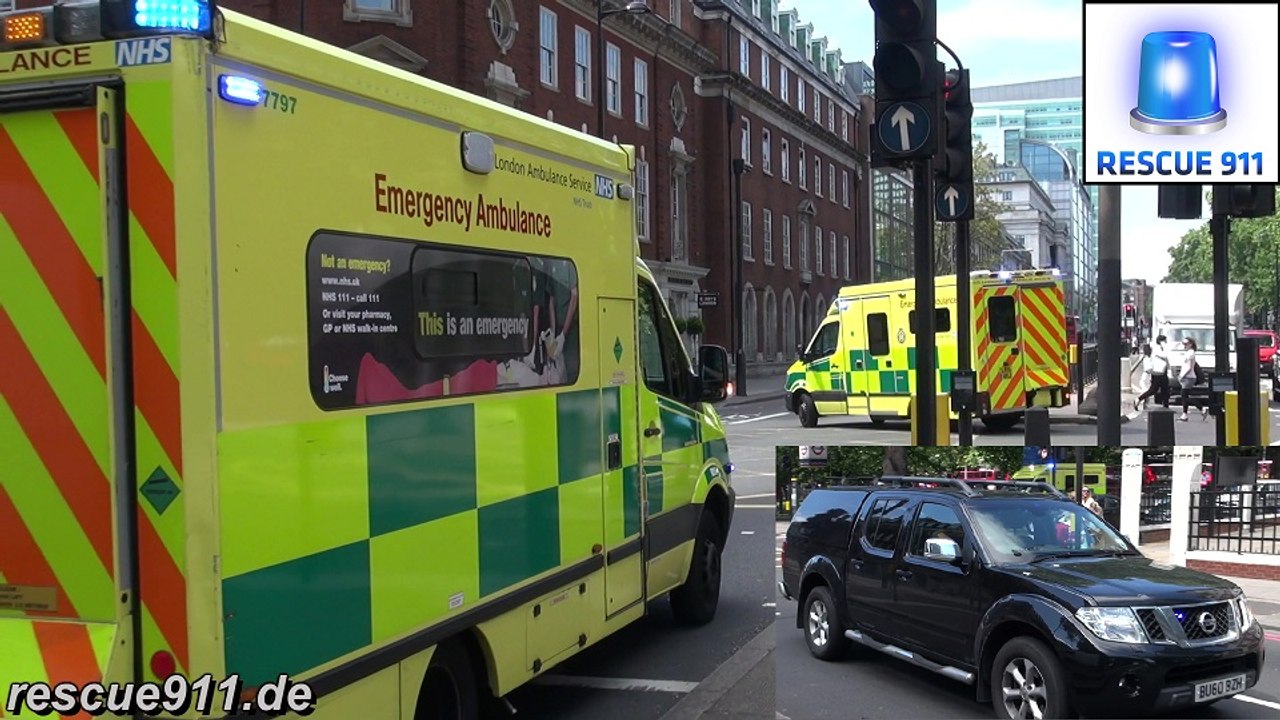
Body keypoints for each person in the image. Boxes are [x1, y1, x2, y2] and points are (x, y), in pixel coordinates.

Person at [1135, 336, 1170, 410]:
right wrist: (1165, 346)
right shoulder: (1156, 348)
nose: (1166, 342)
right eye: (1164, 341)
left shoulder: (1161, 348)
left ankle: (1166, 407)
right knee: (1153, 390)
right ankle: (1139, 399)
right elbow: (1165, 355)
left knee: (1165, 390)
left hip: (1163, 372)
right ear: (1161, 341)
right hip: (1157, 372)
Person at [1177, 336, 1208, 422]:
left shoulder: (1191, 353)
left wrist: (1182, 376)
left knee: (1184, 397)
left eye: (1186, 344)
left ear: (1190, 344)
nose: (1184, 345)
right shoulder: (1189, 353)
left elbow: (1189, 367)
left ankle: (1201, 408)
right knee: (1185, 396)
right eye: (1183, 344)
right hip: (1188, 377)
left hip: (1188, 377)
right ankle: (1184, 415)